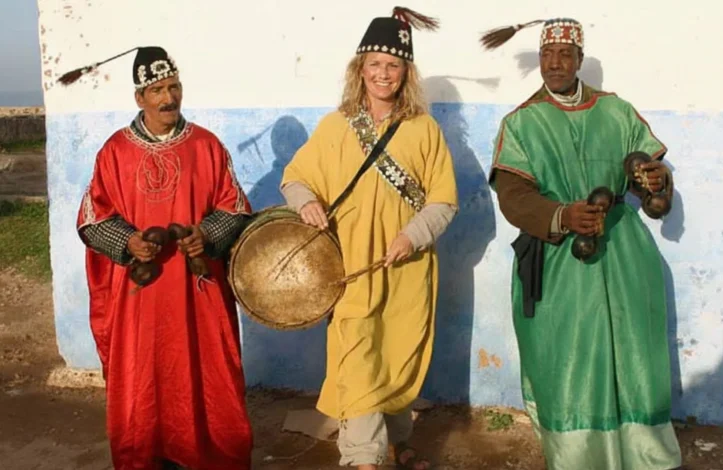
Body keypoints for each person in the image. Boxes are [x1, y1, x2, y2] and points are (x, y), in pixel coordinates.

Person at [481, 18, 682, 469]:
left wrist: (656, 180)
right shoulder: (522, 122)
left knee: (635, 358)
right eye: (547, 55)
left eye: (565, 55)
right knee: (568, 363)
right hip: (558, 261)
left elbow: (654, 183)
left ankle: (643, 455)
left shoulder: (617, 111)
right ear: (540, 59)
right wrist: (562, 216)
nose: (555, 64)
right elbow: (514, 198)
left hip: (624, 255)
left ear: (579, 60)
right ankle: (579, 459)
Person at [280, 7, 458, 469]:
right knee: (357, 357)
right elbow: (295, 177)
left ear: (406, 73)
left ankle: (398, 438)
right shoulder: (336, 127)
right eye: (375, 63)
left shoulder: (424, 130)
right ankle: (364, 456)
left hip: (406, 268)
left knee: (396, 356)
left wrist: (412, 235)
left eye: (393, 65)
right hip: (351, 270)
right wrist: (305, 202)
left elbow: (444, 201)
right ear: (360, 69)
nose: (383, 74)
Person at [68, 46, 253, 469]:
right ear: (140, 98)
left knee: (210, 378)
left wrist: (206, 234)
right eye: (158, 90)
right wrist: (129, 241)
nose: (169, 98)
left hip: (197, 292)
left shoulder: (207, 146)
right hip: (141, 298)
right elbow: (92, 218)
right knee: (143, 385)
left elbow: (236, 208)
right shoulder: (114, 151)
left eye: (174, 87)